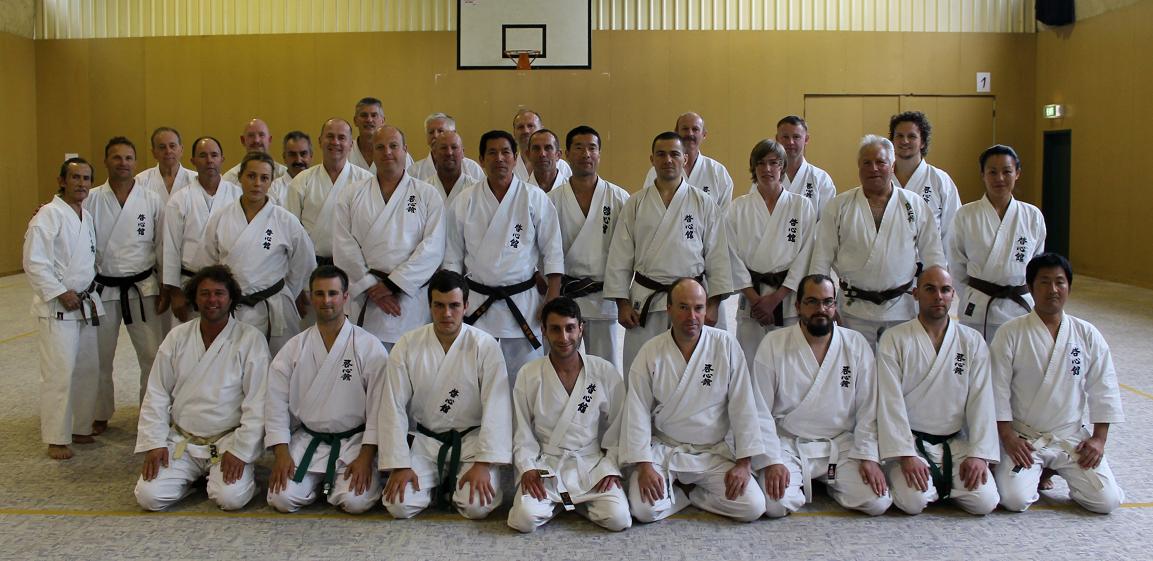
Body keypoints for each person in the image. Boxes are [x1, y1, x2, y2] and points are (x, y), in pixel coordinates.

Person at [619, 278, 768, 523]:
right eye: (683, 307)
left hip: (713, 452)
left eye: (698, 308)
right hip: (666, 451)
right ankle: (681, 494)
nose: (692, 316)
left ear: (706, 309)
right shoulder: (651, 351)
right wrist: (644, 465)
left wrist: (744, 463)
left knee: (753, 506)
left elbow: (743, 406)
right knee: (644, 510)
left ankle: (693, 495)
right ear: (668, 309)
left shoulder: (725, 345)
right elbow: (637, 411)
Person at [992, 253, 1125, 514]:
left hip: (1070, 437)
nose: (1053, 289)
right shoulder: (1010, 333)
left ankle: (1055, 470)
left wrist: (1099, 439)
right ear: (1030, 288)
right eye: (1044, 282)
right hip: (1025, 438)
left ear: (1069, 287)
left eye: (1059, 282)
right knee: (1014, 499)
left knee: (1107, 501)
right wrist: (1007, 437)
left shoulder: (1087, 334)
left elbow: (1104, 388)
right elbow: (997, 389)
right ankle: (1036, 470)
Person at [752, 274, 891, 517]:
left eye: (828, 302)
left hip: (840, 445)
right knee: (775, 505)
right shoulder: (773, 343)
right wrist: (772, 460)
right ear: (798, 306)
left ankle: (832, 484)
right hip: (789, 445)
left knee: (877, 501)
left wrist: (868, 456)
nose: (821, 309)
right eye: (812, 302)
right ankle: (809, 479)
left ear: (835, 305)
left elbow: (868, 408)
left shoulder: (855, 344)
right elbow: (759, 409)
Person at [378, 270, 513, 520]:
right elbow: (392, 405)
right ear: (429, 306)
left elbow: (498, 407)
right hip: (427, 442)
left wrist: (484, 463)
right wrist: (400, 463)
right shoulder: (408, 344)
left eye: (454, 305)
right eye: (439, 305)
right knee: (399, 505)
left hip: (471, 442)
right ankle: (435, 486)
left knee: (476, 507)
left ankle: (448, 483)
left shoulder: (485, 346)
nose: (447, 313)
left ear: (466, 306)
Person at [133, 265, 268, 511]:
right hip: (182, 441)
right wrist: (155, 442)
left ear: (231, 298)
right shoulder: (177, 337)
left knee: (230, 498)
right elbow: (157, 392)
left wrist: (242, 451)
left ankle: (239, 477)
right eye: (205, 294)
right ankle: (190, 480)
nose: (212, 300)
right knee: (148, 496)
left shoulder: (250, 339)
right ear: (195, 298)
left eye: (219, 293)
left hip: (227, 441)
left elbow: (258, 402)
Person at [605, 131, 732, 374]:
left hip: (691, 300)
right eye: (661, 154)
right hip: (646, 300)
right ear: (652, 159)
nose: (668, 160)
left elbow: (718, 256)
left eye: (674, 154)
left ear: (685, 158)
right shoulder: (636, 203)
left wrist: (713, 303)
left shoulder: (703, 202)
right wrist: (622, 303)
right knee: (644, 367)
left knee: (694, 368)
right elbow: (620, 256)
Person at [876, 266, 1000, 515]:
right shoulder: (894, 338)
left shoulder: (971, 341)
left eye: (945, 290)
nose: (938, 296)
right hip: (911, 443)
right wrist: (905, 455)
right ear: (915, 294)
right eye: (930, 289)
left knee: (984, 502)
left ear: (953, 294)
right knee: (912, 502)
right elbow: (890, 401)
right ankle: (934, 483)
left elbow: (982, 401)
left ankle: (940, 484)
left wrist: (978, 454)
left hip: (955, 442)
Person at [265, 266, 388, 514]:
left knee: (355, 502)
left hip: (354, 443)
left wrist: (366, 456)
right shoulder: (294, 348)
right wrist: (281, 452)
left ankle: (334, 485)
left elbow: (379, 408)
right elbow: (275, 404)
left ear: (345, 297)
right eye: (319, 294)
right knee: (281, 499)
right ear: (310, 297)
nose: (326, 300)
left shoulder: (368, 346)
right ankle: (320, 485)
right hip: (308, 440)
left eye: (333, 293)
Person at [444, 130, 564, 382]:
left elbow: (552, 252)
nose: (499, 158)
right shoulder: (464, 201)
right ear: (481, 159)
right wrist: (454, 302)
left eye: (505, 152)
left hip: (523, 304)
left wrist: (552, 297)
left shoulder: (534, 198)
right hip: (477, 303)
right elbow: (453, 258)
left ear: (515, 157)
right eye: (492, 153)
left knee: (526, 379)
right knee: (475, 377)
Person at [808, 135, 946, 348]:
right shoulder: (839, 206)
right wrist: (822, 305)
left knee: (901, 365)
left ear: (892, 166)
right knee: (854, 365)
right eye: (867, 163)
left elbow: (934, 258)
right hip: (853, 309)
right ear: (858, 167)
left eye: (880, 162)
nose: (873, 168)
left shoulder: (914, 204)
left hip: (902, 308)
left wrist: (935, 300)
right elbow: (821, 258)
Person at [507, 297, 631, 532]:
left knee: (619, 519)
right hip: (547, 466)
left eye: (570, 328)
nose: (563, 337)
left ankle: (570, 504)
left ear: (581, 328)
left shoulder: (603, 371)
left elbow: (619, 425)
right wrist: (527, 467)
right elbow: (520, 428)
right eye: (555, 329)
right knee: (524, 519)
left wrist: (611, 466)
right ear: (543, 331)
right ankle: (568, 503)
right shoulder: (529, 374)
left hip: (591, 465)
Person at [333, 125, 445, 350]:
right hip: (366, 298)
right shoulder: (351, 194)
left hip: (409, 300)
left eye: (393, 146)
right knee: (365, 361)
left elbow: (433, 248)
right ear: (373, 152)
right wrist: (370, 286)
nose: (387, 152)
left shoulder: (427, 195)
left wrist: (394, 284)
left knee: (409, 361)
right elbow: (343, 246)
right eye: (380, 147)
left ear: (405, 150)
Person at [195, 151, 316, 356]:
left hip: (273, 306)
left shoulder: (285, 220)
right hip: (232, 306)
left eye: (264, 178)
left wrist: (288, 291)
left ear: (271, 182)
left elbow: (305, 262)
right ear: (240, 177)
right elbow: (206, 264)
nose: (257, 183)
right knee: (232, 364)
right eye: (251, 176)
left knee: (278, 364)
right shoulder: (220, 218)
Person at [24, 157, 104, 460]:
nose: (81, 183)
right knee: (59, 372)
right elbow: (34, 262)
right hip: (58, 305)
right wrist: (59, 292)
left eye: (86, 178)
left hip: (85, 301)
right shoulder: (48, 214)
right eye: (75, 177)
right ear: (61, 181)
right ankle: (56, 437)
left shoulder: (87, 215)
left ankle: (81, 427)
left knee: (87, 368)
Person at [86, 137, 166, 430]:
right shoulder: (91, 199)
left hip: (142, 287)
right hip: (103, 288)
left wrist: (166, 285)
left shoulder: (151, 199)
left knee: (151, 355)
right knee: (100, 356)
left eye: (128, 158)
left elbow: (162, 246)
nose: (123, 163)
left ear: (136, 162)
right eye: (116, 157)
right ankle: (99, 413)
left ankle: (149, 414)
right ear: (106, 161)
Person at [727, 138, 816, 367]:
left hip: (787, 300)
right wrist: (756, 300)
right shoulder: (738, 207)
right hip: (752, 301)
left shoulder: (801, 206)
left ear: (783, 166)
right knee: (750, 364)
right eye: (761, 163)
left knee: (789, 366)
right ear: (753, 167)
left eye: (774, 162)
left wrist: (776, 298)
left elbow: (806, 255)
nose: (767, 169)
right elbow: (731, 256)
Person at [547, 125, 629, 368]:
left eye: (592, 148)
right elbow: (544, 252)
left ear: (599, 154)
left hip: (604, 296)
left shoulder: (619, 198)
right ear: (566, 154)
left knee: (604, 367)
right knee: (560, 364)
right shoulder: (551, 200)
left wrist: (623, 296)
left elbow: (628, 252)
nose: (586, 154)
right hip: (564, 296)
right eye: (579, 148)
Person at [949, 145, 1046, 342]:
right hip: (978, 305)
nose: (999, 178)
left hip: (1018, 308)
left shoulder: (1032, 216)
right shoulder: (965, 215)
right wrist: (971, 296)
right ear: (982, 175)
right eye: (992, 172)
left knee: (1018, 358)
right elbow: (956, 265)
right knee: (975, 357)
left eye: (1006, 171)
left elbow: (1037, 266)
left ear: (1017, 173)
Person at [161, 137, 242, 323]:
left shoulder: (237, 196)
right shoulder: (179, 200)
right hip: (189, 282)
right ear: (193, 161)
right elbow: (170, 248)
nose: (209, 160)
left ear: (222, 159)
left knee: (227, 336)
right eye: (203, 156)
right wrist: (175, 292)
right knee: (187, 336)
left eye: (214, 155)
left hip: (227, 284)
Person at [284, 119, 373, 269]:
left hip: (353, 266)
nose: (335, 142)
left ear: (351, 144)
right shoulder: (301, 180)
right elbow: (289, 229)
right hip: (311, 265)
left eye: (341, 137)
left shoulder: (366, 181)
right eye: (330, 136)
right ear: (320, 141)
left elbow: (372, 229)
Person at [889, 111, 961, 243]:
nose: (905, 141)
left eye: (912, 136)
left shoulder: (940, 180)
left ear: (922, 142)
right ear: (892, 141)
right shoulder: (883, 179)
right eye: (899, 136)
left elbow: (953, 231)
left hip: (930, 255)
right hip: (890, 255)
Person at [640, 112, 734, 212]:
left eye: (695, 129)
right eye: (685, 129)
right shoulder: (657, 171)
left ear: (704, 134)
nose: (690, 133)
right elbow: (649, 207)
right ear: (676, 133)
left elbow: (723, 215)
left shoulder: (718, 172)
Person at [773, 116, 837, 216]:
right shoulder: (766, 176)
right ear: (777, 139)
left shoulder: (821, 178)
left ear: (806, 139)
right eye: (785, 137)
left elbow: (828, 220)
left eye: (796, 137)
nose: (790, 142)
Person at [408, 112, 484, 181]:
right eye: (431, 132)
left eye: (440, 131)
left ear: (454, 133)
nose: (435, 135)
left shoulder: (472, 168)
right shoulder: (414, 171)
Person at [348, 97, 414, 173]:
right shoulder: (346, 151)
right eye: (364, 115)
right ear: (355, 121)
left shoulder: (399, 153)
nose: (369, 120)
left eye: (374, 115)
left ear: (383, 121)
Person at [135, 126, 197, 203]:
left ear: (181, 149)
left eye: (172, 146)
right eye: (162, 147)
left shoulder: (195, 179)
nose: (168, 151)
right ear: (154, 153)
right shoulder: (140, 181)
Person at [511, 109, 572, 181]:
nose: (526, 131)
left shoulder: (562, 166)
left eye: (530, 126)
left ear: (541, 129)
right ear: (514, 133)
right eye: (520, 127)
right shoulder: (510, 167)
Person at [221, 118, 288, 183]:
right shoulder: (229, 179)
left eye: (261, 135)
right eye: (251, 135)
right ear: (243, 140)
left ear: (269, 140)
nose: (256, 140)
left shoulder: (284, 176)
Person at [424, 131, 477, 207]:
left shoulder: (476, 189)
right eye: (443, 148)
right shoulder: (422, 189)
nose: (449, 153)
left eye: (454, 147)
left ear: (462, 152)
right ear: (434, 153)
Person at [269, 130, 313, 206]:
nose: (298, 160)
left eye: (303, 154)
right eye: (292, 154)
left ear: (311, 156)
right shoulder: (274, 189)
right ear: (284, 157)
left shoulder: (319, 185)